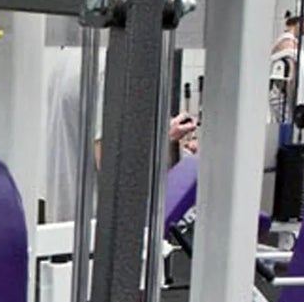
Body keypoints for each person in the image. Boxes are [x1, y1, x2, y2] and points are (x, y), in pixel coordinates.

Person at [45, 44, 198, 223]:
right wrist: (163, 139)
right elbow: (113, 168)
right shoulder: (113, 66)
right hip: (99, 231)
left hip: (64, 221)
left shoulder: (69, 55)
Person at [268, 6, 304, 123]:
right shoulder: (288, 44)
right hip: (283, 99)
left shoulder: (290, 42)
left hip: (288, 99)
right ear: (300, 21)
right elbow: (291, 77)